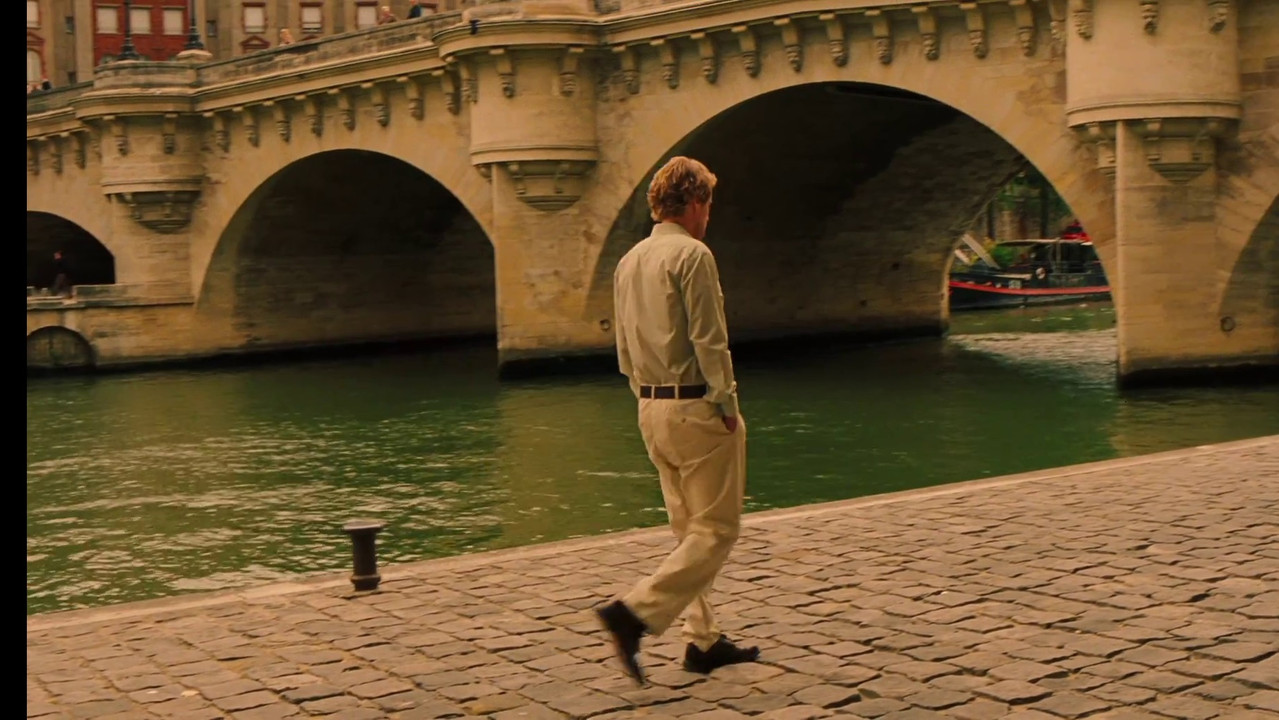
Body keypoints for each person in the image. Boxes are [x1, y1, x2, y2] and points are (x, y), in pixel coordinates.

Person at [595, 156, 758, 686]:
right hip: (695, 407)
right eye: (708, 203)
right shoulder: (692, 255)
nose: (708, 215)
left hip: (650, 406)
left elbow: (623, 347)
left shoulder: (629, 261)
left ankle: (703, 640)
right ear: (693, 202)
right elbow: (710, 339)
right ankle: (634, 613)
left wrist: (645, 396)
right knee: (716, 530)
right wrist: (726, 405)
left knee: (688, 531)